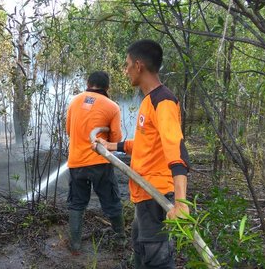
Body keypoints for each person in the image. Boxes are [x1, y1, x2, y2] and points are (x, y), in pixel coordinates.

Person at [96, 39, 190, 268]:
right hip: (144, 196)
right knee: (141, 253)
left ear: (139, 66)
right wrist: (114, 146)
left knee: (157, 261)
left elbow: (176, 149)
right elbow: (147, 143)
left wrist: (181, 203)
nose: (125, 70)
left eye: (127, 65)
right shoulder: (149, 100)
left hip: (156, 195)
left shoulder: (163, 101)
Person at [65, 70, 126, 255]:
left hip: (76, 163)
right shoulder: (112, 106)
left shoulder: (74, 101)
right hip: (100, 161)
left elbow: (69, 131)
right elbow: (116, 139)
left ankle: (75, 246)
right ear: (107, 87)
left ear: (88, 82)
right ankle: (120, 239)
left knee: (77, 203)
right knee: (111, 200)